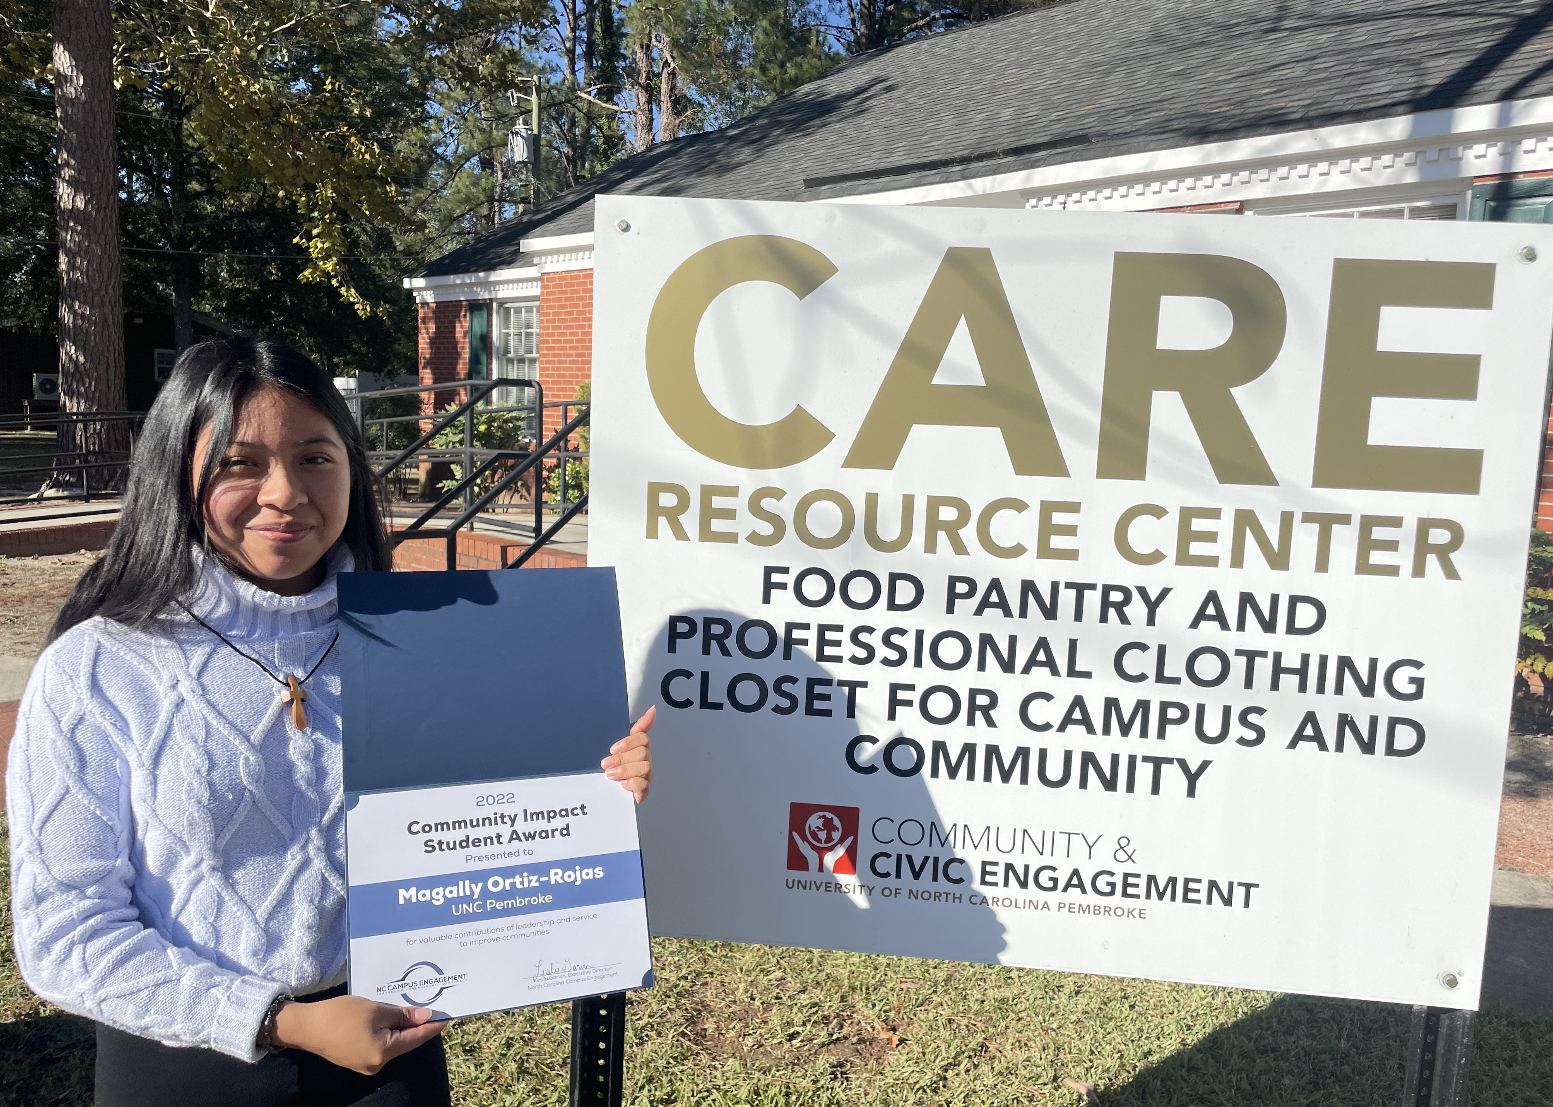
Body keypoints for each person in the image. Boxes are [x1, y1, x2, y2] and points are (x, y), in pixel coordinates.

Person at [5, 338, 654, 1106]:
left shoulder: (423, 641)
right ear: (176, 473)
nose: (285, 492)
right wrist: (280, 1020)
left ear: (351, 467)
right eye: (240, 463)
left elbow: (484, 817)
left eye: (314, 457)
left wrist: (590, 786)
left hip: (388, 1054)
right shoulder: (98, 668)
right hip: (184, 1063)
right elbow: (66, 934)